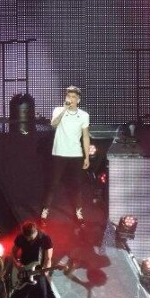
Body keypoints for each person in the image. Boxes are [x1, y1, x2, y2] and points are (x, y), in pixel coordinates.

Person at [40, 86, 90, 227]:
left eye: (74, 97)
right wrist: (64, 109)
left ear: (78, 100)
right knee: (54, 183)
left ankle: (79, 212)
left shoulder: (84, 115)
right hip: (59, 153)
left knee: (77, 185)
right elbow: (53, 124)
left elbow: (85, 136)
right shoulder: (58, 110)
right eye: (69, 96)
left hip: (76, 154)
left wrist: (86, 157)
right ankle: (45, 211)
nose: (71, 99)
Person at [11, 222, 53, 298]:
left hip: (38, 273)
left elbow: (48, 259)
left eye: (30, 237)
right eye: (26, 237)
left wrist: (45, 270)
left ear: (35, 232)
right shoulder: (21, 237)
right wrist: (17, 264)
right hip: (23, 272)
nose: (28, 239)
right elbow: (13, 253)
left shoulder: (45, 238)